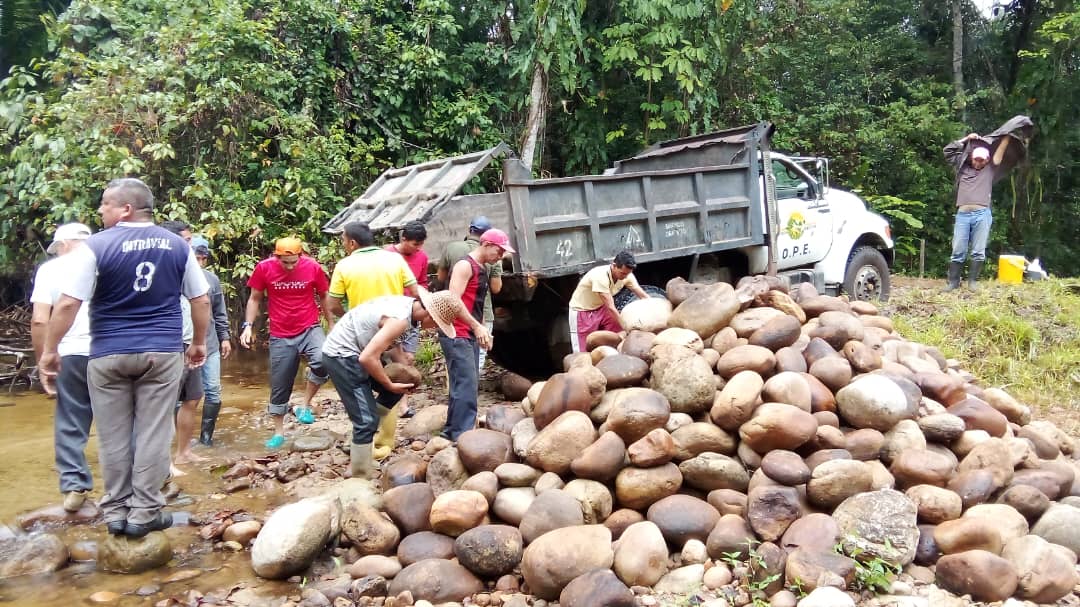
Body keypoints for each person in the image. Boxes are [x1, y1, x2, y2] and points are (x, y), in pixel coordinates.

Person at [39, 178, 210, 538]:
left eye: (106, 204)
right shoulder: (177, 246)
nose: (101, 210)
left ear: (126, 209)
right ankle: (145, 511)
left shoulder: (95, 247)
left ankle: (115, 511)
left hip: (107, 353)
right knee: (152, 431)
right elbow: (201, 299)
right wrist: (197, 343)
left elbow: (69, 303)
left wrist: (51, 350)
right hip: (162, 353)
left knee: (113, 434)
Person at [321, 288, 490, 478]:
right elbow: (367, 358)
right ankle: (360, 473)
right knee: (367, 419)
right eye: (436, 324)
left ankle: (363, 436)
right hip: (341, 356)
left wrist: (405, 372)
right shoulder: (399, 320)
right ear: (429, 315)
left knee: (400, 384)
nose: (433, 328)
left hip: (359, 352)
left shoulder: (410, 310)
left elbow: (391, 347)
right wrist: (389, 385)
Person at [327, 221, 417, 459]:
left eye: (344, 241)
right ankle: (382, 442)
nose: (344, 245)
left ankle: (365, 439)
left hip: (361, 338)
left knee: (365, 388)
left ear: (352, 242)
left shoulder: (345, 265)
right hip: (394, 333)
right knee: (396, 383)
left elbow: (332, 304)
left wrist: (349, 318)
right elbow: (415, 290)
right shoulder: (394, 259)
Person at [240, 237, 333, 449]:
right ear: (276, 256)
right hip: (281, 333)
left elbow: (324, 295)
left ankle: (305, 406)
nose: (290, 266)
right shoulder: (264, 268)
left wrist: (331, 323)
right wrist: (248, 325)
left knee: (323, 360)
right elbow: (255, 298)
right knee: (280, 383)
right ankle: (279, 432)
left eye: (294, 261)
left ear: (300, 256)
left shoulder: (313, 267)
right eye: (285, 262)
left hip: (310, 326)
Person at [30, 222, 94, 512]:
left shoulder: (51, 270)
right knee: (120, 419)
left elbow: (40, 320)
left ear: (64, 244)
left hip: (70, 351)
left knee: (71, 420)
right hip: (110, 349)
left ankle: (75, 485)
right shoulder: (104, 260)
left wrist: (44, 358)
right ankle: (139, 484)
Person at [439, 228, 506, 441]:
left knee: (466, 382)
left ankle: (453, 430)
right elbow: (453, 299)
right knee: (465, 383)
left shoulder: (482, 268)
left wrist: (483, 329)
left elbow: (478, 304)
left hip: (468, 331)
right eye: (499, 250)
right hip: (456, 332)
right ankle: (462, 435)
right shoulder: (464, 265)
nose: (501, 256)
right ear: (486, 244)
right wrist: (476, 327)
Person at [161, 221, 205, 467]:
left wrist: (199, 341)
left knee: (192, 398)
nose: (191, 245)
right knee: (163, 405)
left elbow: (202, 302)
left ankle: (184, 452)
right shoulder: (164, 267)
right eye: (187, 241)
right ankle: (162, 462)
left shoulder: (188, 267)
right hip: (169, 344)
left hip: (188, 341)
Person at [438, 216, 502, 370]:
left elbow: (440, 277)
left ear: (470, 230)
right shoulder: (484, 260)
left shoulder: (451, 248)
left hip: (453, 322)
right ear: (487, 240)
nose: (500, 255)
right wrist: (479, 325)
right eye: (500, 251)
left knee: (459, 371)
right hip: (478, 316)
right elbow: (496, 288)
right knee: (473, 366)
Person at [384, 220, 428, 419]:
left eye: (421, 244)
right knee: (395, 356)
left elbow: (422, 282)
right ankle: (394, 400)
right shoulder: (387, 255)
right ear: (403, 239)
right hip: (390, 313)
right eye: (415, 244)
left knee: (408, 358)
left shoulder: (423, 257)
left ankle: (402, 402)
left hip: (412, 312)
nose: (418, 248)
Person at [190, 236, 231, 446]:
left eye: (202, 259)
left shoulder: (212, 280)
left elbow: (219, 311)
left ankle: (206, 438)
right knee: (185, 395)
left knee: (213, 390)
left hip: (211, 343)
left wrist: (225, 337)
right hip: (185, 345)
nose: (199, 263)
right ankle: (183, 440)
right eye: (195, 258)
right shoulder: (176, 277)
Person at [568, 250, 649, 353]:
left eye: (628, 274)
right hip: (582, 311)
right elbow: (611, 307)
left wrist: (656, 308)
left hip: (601, 307)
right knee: (583, 352)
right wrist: (626, 326)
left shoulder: (627, 275)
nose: (625, 276)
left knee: (620, 333)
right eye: (622, 273)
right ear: (614, 266)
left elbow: (643, 295)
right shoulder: (600, 276)